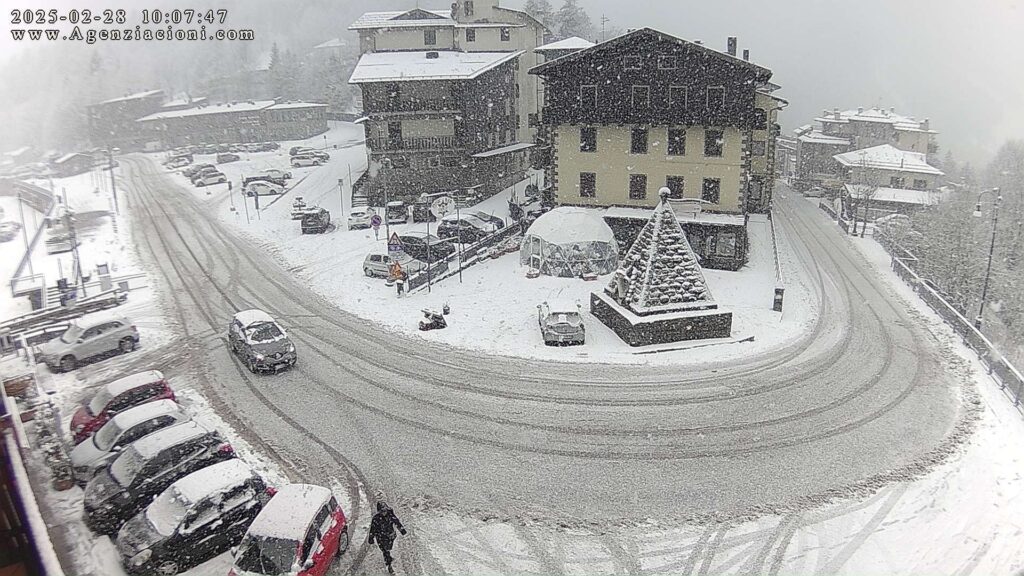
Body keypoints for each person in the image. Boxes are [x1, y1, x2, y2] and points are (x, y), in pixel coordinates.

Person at [368, 500, 407, 573]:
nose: (384, 513)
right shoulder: (376, 519)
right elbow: (372, 529)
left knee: (388, 548)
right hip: (380, 537)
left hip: (390, 535)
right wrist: (371, 537)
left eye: (385, 510)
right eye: (382, 511)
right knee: (385, 550)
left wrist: (402, 529)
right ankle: (389, 565)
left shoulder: (390, 515)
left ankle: (388, 556)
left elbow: (396, 522)